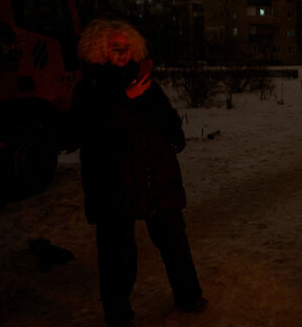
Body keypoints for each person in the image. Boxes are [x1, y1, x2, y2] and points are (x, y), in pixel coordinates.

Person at [72, 19, 205, 327]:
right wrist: (125, 98)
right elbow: (90, 132)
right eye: (115, 48)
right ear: (99, 50)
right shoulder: (89, 87)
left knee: (174, 241)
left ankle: (190, 296)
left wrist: (175, 137)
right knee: (117, 255)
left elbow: (166, 114)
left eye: (126, 47)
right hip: (114, 182)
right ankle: (118, 316)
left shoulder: (143, 79)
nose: (122, 53)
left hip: (156, 175)